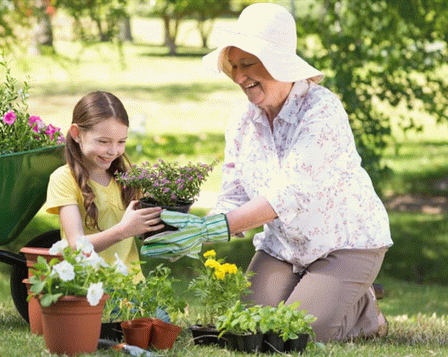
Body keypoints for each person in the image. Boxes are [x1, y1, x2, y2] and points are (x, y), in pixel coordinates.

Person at [141, 3, 393, 342]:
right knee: (245, 329)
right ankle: (327, 293)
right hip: (283, 246)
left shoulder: (322, 111)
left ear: (279, 63)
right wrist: (194, 233)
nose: (240, 77)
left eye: (249, 64)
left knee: (297, 334)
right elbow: (234, 194)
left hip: (344, 243)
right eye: (234, 66)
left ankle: (365, 311)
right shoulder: (243, 120)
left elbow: (288, 195)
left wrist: (209, 228)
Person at [46, 91, 164, 272]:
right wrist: (123, 230)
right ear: (76, 134)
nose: (113, 150)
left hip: (131, 288)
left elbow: (148, 226)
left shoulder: (127, 177)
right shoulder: (63, 179)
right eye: (103, 141)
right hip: (87, 289)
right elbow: (76, 247)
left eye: (121, 142)